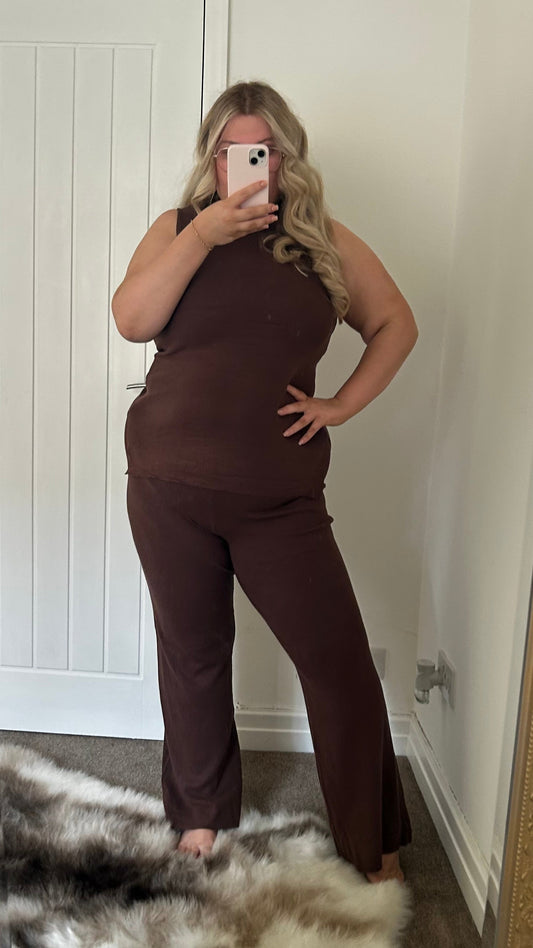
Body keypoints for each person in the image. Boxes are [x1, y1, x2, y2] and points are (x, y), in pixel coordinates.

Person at [112, 80, 418, 885]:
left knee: (338, 664)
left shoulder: (324, 243)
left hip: (279, 496)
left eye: (260, 148)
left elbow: (395, 322)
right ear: (211, 158)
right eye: (228, 149)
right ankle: (200, 816)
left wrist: (340, 404)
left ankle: (372, 846)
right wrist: (203, 234)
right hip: (166, 480)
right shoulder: (177, 228)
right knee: (193, 651)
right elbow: (133, 319)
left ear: (285, 157)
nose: (243, 162)